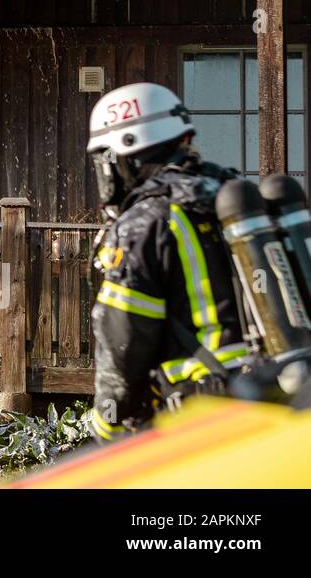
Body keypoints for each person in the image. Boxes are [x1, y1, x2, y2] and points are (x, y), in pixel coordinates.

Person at [85, 82, 250, 442]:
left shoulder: (146, 222)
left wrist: (107, 425)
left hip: (200, 417)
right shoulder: (228, 198)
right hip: (271, 397)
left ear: (122, 155)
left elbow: (123, 343)